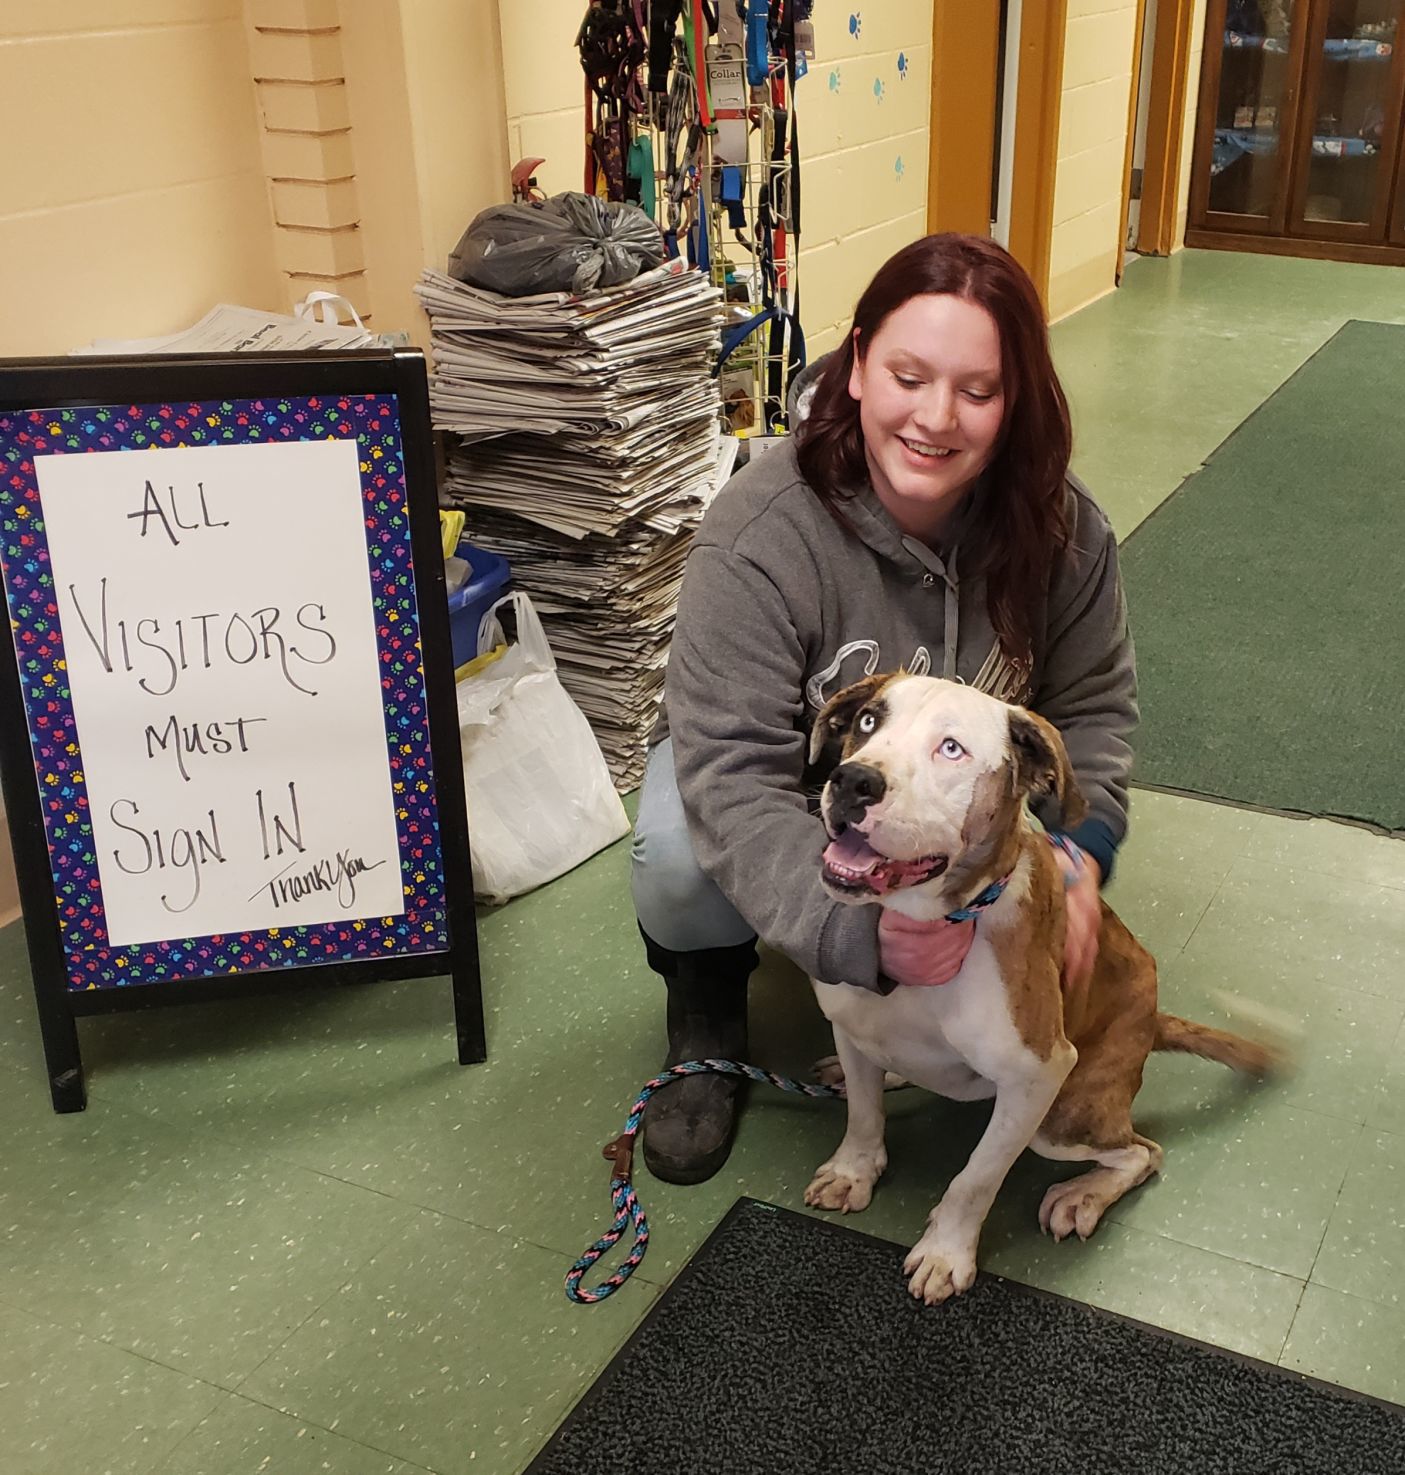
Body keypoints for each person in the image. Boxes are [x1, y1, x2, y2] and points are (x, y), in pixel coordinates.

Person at [630, 232, 1136, 1184]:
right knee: (673, 849)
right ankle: (705, 1019)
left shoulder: (1064, 530)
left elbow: (1096, 706)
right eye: (907, 375)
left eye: (977, 391)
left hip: (957, 813)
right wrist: (853, 934)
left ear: (1014, 399)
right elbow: (730, 772)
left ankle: (931, 994)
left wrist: (1079, 853)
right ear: (856, 364)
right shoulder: (757, 532)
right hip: (791, 776)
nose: (935, 417)